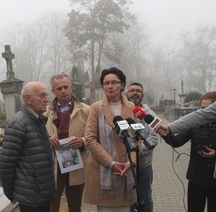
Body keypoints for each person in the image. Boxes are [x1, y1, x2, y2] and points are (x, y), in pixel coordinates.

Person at [84, 67, 137, 211]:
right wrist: (111, 162)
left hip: (126, 170)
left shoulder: (132, 108)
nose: (110, 86)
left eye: (114, 82)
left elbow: (137, 138)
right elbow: (89, 139)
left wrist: (131, 162)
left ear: (122, 85)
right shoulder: (96, 108)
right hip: (103, 170)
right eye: (106, 83)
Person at [0, 81, 55, 212]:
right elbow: (6, 164)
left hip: (41, 194)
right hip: (31, 198)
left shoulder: (37, 120)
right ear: (28, 99)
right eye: (42, 96)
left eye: (46, 95)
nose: (46, 99)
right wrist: (10, 193)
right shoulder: (18, 124)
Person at [161, 91, 216, 212]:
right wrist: (165, 133)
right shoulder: (195, 125)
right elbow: (176, 141)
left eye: (207, 109)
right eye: (201, 109)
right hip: (197, 178)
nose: (203, 112)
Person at [44, 73, 90, 212]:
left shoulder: (86, 110)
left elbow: (94, 136)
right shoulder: (46, 113)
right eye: (59, 88)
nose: (63, 91)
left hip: (76, 164)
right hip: (53, 165)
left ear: (71, 87)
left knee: (75, 207)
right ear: (53, 91)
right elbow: (38, 135)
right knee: (52, 206)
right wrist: (48, 139)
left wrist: (82, 141)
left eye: (66, 87)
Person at [126, 83, 159, 212]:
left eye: (138, 91)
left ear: (142, 95)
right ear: (126, 94)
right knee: (128, 199)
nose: (135, 93)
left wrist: (136, 152)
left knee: (145, 197)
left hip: (144, 165)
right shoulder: (122, 112)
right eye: (132, 90)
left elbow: (154, 137)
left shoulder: (150, 114)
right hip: (125, 164)